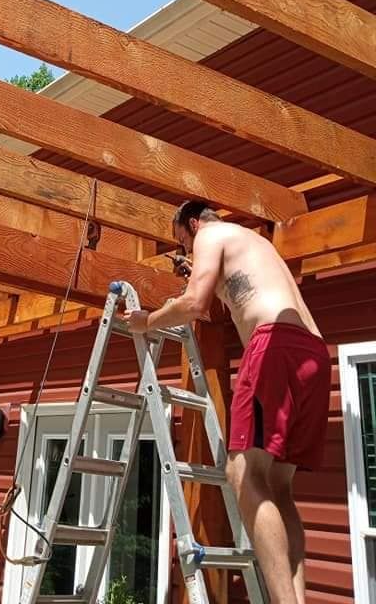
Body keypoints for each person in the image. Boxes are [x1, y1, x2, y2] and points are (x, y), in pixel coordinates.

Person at [125, 199, 330, 604]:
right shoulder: (250, 243)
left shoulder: (211, 235)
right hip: (312, 353)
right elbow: (236, 293)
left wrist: (145, 322)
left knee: (242, 475)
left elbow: (194, 305)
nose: (184, 251)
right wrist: (203, 276)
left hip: (274, 344)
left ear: (193, 223)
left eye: (182, 241)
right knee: (277, 486)